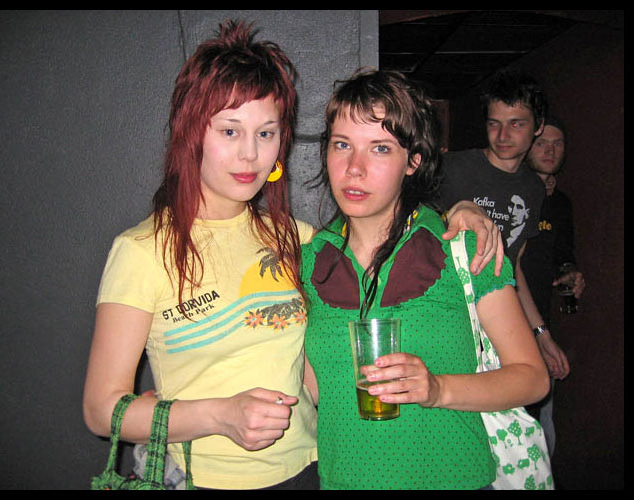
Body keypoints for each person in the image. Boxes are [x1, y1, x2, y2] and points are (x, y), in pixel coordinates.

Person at [82, 21, 501, 490]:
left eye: (266, 133)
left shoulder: (297, 240)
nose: (249, 154)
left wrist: (459, 211)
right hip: (209, 478)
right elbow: (101, 410)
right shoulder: (141, 251)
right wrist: (219, 415)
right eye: (230, 130)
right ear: (192, 133)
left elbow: (383, 225)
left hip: (311, 469)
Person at [301, 68, 549, 489]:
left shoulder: (463, 248)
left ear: (413, 161)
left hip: (453, 479)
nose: (354, 168)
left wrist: (438, 389)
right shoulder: (309, 262)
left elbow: (532, 377)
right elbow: (313, 389)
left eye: (380, 148)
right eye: (342, 145)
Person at [439, 69, 570, 382]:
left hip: (495, 323)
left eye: (516, 124)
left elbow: (513, 268)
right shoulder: (452, 168)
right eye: (494, 123)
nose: (502, 135)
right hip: (445, 317)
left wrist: (541, 334)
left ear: (538, 126)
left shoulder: (533, 189)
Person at [521, 116, 585, 456]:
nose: (550, 150)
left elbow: (563, 253)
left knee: (540, 425)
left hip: (541, 317)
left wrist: (571, 272)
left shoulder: (560, 203)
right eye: (542, 143)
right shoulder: (514, 195)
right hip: (508, 320)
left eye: (557, 144)